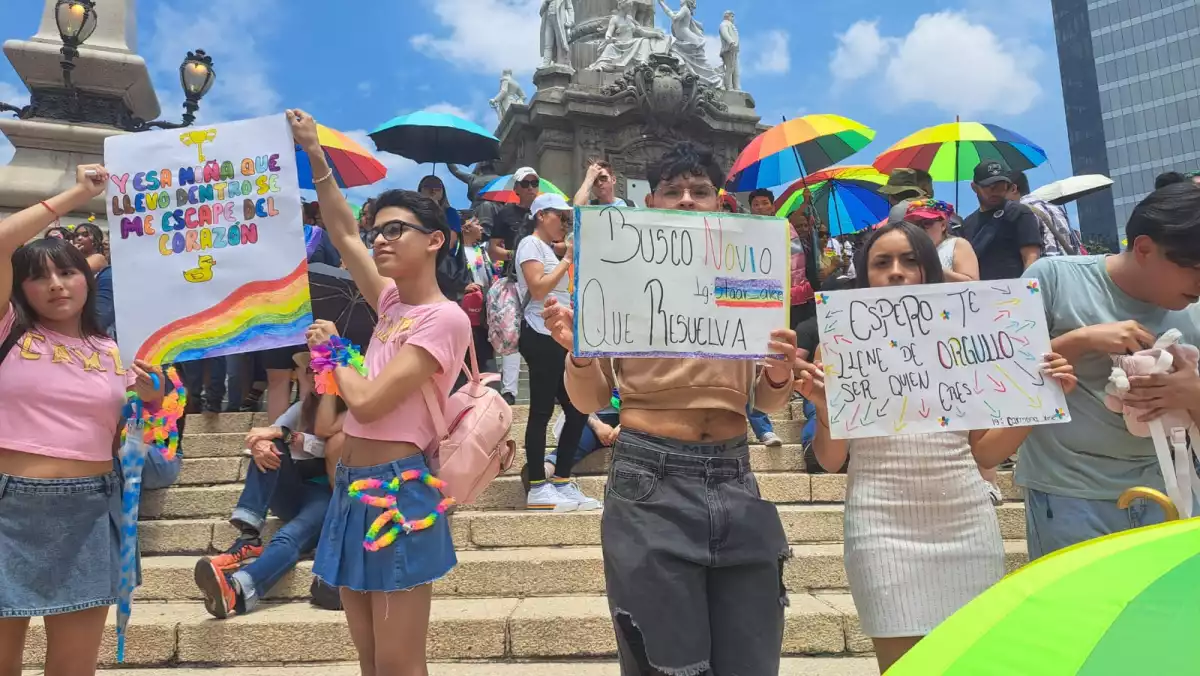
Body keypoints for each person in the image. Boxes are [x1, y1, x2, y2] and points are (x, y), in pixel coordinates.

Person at [542, 141, 798, 676]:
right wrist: (579, 355)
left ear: (718, 201)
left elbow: (765, 401)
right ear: (651, 202)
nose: (687, 201)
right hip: (646, 477)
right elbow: (591, 400)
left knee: (751, 662)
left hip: (734, 473)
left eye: (700, 191)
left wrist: (778, 371)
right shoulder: (620, 278)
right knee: (664, 665)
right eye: (673, 191)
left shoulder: (748, 281)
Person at [798, 221, 1077, 672]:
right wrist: (824, 409)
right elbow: (831, 461)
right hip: (879, 527)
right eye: (882, 262)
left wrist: (1042, 398)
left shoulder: (965, 337)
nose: (896, 272)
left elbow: (986, 454)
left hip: (966, 522)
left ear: (930, 270)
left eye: (911, 261)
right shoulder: (839, 344)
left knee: (969, 663)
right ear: (864, 274)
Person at [291, 109, 470, 675]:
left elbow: (367, 401)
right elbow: (343, 232)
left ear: (436, 240)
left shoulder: (443, 319)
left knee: (397, 666)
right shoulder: (392, 304)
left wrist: (334, 352)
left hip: (399, 491)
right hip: (351, 486)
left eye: (397, 230)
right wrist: (316, 156)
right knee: (369, 662)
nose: (381, 239)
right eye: (380, 231)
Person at [0, 165, 164, 676]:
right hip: (8, 509)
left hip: (92, 510)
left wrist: (151, 392)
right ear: (20, 289)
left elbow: (135, 416)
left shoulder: (113, 348)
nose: (55, 285)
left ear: (88, 278)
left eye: (67, 272)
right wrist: (76, 194)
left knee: (74, 668)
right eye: (37, 276)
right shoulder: (7, 328)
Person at [1018, 182, 1200, 560]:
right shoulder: (1052, 279)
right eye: (1196, 268)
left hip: (1174, 490)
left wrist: (1192, 393)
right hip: (1067, 493)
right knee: (1078, 617)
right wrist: (1080, 340)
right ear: (1145, 248)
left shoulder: (1195, 311)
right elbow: (1003, 378)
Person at [193, 363, 346, 619]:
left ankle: (238, 588)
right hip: (292, 492)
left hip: (326, 497)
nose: (313, 374)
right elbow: (270, 433)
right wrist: (262, 443)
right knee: (269, 442)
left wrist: (287, 435)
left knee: (287, 538)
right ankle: (250, 530)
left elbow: (325, 445)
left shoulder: (351, 410)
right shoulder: (301, 408)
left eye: (320, 369)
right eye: (309, 369)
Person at [516, 193, 599, 511]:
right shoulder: (530, 244)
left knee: (578, 408)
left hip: (559, 335)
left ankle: (561, 480)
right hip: (539, 333)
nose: (563, 222)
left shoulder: (548, 248)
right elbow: (537, 288)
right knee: (540, 410)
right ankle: (537, 486)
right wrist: (568, 260)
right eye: (559, 217)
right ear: (541, 215)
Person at [490, 167, 547, 405]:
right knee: (512, 333)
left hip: (541, 279)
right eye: (526, 184)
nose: (531, 188)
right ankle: (510, 391)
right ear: (516, 189)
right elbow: (492, 250)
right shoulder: (505, 214)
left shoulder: (544, 214)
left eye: (535, 183)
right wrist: (515, 253)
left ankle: (546, 387)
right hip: (514, 280)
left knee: (544, 331)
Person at [963, 160, 1043, 281]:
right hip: (979, 293)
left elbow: (1031, 258)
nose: (995, 191)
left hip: (1014, 293)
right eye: (989, 187)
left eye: (1001, 186)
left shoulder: (1019, 213)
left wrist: (1027, 292)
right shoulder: (967, 224)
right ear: (975, 187)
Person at [905, 199, 979, 283]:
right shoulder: (906, 249)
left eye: (927, 223)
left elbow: (972, 284)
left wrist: (932, 267)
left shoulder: (957, 244)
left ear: (943, 225)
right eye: (914, 225)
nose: (920, 229)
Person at [1010, 170, 1079, 257]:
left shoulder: (1020, 212)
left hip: (1043, 268)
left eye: (1000, 190)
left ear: (1013, 189)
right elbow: (1075, 246)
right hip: (1067, 267)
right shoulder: (1056, 208)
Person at [787, 207, 819, 325]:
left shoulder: (811, 245)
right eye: (798, 226)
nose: (803, 229)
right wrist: (804, 203)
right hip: (794, 302)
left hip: (810, 298)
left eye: (805, 226)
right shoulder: (787, 245)